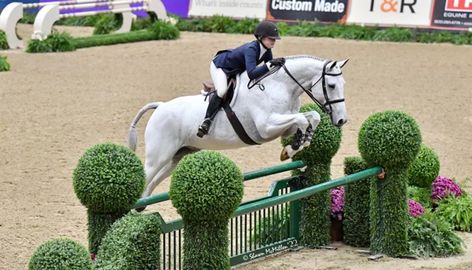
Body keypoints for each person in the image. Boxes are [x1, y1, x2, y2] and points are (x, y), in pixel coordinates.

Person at [197, 21, 285, 138]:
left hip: (238, 69)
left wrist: (277, 66)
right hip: (221, 66)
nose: (273, 41)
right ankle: (206, 121)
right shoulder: (251, 49)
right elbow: (252, 73)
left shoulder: (267, 51)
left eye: (274, 39)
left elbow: (267, 72)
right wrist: (270, 65)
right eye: (271, 38)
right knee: (222, 91)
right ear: (261, 37)